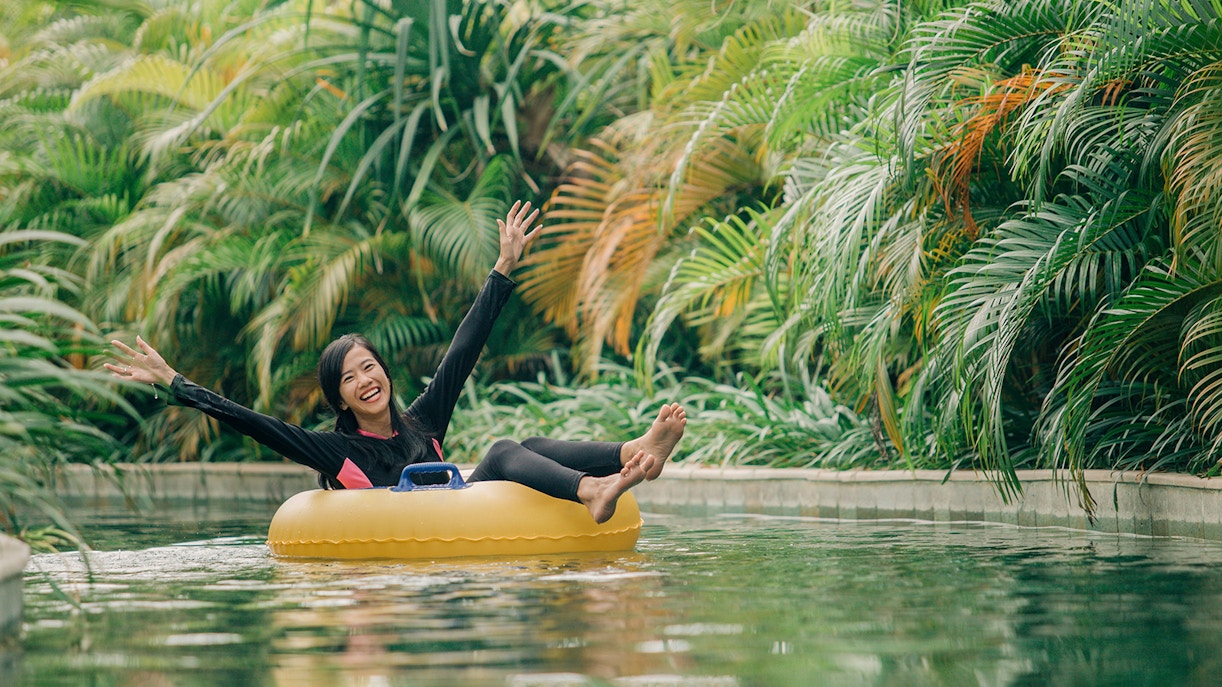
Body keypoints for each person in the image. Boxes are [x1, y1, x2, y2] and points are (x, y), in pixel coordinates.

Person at [105, 201, 687, 524]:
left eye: (369, 367)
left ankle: (630, 452)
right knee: (501, 451)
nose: (365, 380)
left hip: (455, 521)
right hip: (399, 570)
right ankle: (590, 491)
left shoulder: (421, 423)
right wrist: (178, 385)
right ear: (339, 399)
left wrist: (503, 268)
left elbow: (462, 351)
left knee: (518, 444)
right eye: (349, 378)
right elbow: (254, 423)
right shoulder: (336, 451)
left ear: (384, 371)